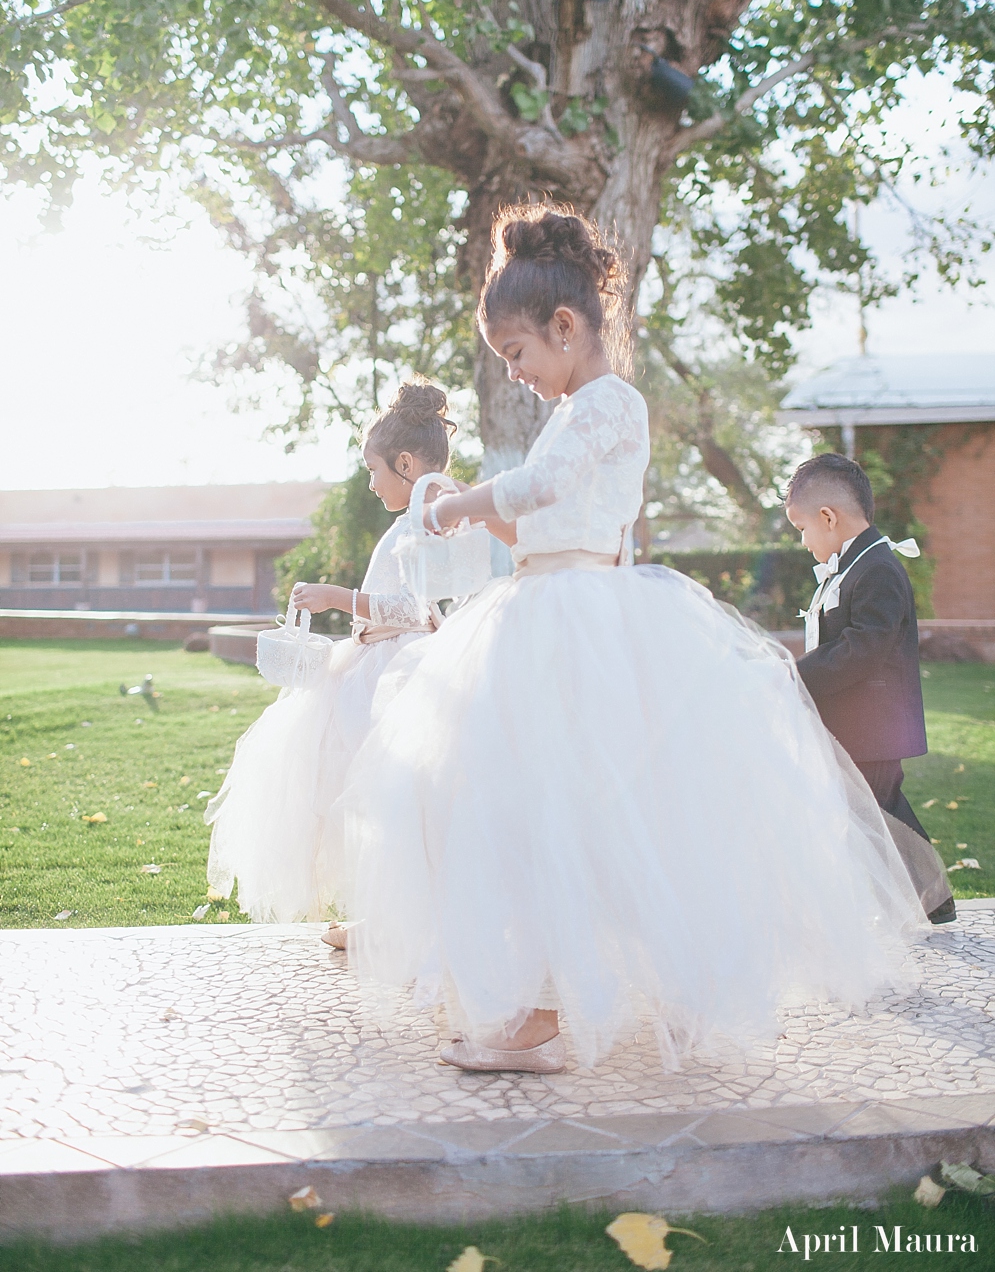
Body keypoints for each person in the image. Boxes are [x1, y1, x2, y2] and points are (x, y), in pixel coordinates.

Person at [338, 205, 926, 1076]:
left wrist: (455, 502)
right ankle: (548, 995)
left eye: (519, 355)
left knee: (575, 807)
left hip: (582, 625)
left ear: (565, 327)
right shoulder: (576, 407)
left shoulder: (607, 404)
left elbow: (545, 486)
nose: (518, 374)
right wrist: (478, 522)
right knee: (536, 807)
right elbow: (543, 523)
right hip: (545, 609)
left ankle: (549, 1009)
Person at [205, 381, 457, 940]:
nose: (370, 483)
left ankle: (401, 922)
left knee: (390, 796)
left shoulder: (429, 517)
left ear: (407, 463)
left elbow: (418, 608)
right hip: (373, 661)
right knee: (366, 797)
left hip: (396, 674)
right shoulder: (419, 513)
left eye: (374, 470)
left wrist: (336, 598)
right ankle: (385, 915)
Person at [785, 453, 955, 925]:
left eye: (801, 528)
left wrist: (797, 676)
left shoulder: (876, 569)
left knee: (877, 813)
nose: (802, 541)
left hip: (873, 724)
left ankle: (922, 901)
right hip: (853, 721)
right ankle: (924, 900)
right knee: (874, 813)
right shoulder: (854, 565)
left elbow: (864, 647)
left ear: (828, 517)